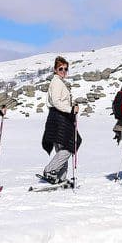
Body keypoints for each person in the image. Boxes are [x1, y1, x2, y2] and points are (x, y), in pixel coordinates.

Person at [38, 56, 80, 185]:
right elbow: (56, 102)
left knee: (62, 146)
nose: (63, 71)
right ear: (55, 70)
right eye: (60, 68)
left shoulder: (59, 82)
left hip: (58, 117)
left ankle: (61, 176)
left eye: (65, 69)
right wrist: (71, 109)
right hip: (59, 117)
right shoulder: (56, 82)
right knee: (70, 144)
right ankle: (50, 170)